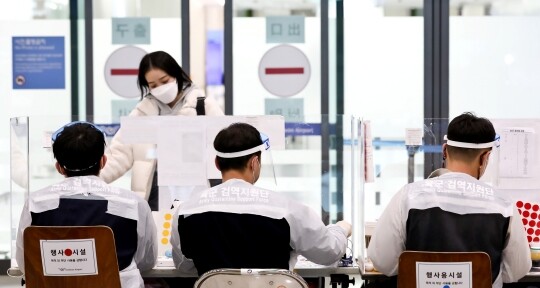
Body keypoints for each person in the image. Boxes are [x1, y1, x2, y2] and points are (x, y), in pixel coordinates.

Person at [367, 112, 531, 288]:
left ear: (445, 150)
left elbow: (382, 261)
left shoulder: (408, 197)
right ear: (485, 157)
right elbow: (517, 270)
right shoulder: (503, 204)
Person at [170, 122, 352, 275]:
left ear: (217, 163)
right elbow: (328, 253)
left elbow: (184, 266)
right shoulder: (286, 210)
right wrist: (341, 230)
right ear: (254, 162)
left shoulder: (185, 211)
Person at [16, 121, 157, 288]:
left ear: (59, 167)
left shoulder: (36, 204)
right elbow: (147, 260)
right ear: (103, 161)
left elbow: (25, 262)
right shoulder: (133, 204)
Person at [100, 50, 224, 210]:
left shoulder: (204, 107)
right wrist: (87, 178)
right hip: (155, 195)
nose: (160, 88)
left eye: (164, 81)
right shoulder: (141, 114)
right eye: (153, 85)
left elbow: (224, 150)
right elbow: (119, 155)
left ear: (177, 75)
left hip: (197, 191)